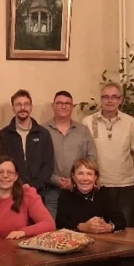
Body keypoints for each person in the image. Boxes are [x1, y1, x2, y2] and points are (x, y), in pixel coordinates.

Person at [82, 83, 134, 227]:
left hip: (125, 185)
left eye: (114, 97)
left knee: (124, 228)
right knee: (99, 227)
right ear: (100, 99)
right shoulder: (88, 122)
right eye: (106, 97)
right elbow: (84, 154)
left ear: (121, 100)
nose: (110, 100)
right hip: (98, 185)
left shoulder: (131, 122)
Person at [42, 90, 98, 223]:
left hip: (78, 191)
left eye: (67, 103)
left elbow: (92, 157)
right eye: (60, 103)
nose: (63, 106)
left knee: (77, 228)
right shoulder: (42, 130)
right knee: (52, 230)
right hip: (51, 192)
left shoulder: (83, 130)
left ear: (72, 107)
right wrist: (56, 180)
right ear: (53, 106)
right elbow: (38, 161)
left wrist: (75, 180)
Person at [0, 158, 55, 239]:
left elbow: (49, 224)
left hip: (20, 249)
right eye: (0, 172)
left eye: (10, 172)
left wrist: (23, 232)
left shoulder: (28, 196)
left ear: (16, 176)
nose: (5, 176)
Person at [0, 90, 54, 194]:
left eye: (26, 104)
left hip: (39, 192)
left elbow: (48, 165)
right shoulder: (3, 135)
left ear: (31, 107)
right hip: (11, 191)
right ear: (13, 108)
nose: (23, 108)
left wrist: (32, 185)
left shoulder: (43, 134)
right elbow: (1, 165)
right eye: (18, 105)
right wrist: (17, 185)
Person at [56, 158, 126, 233]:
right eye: (80, 173)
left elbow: (121, 220)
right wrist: (81, 226)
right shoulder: (66, 194)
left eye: (89, 174)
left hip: (102, 240)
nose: (85, 178)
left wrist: (109, 227)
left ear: (95, 177)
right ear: (73, 176)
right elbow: (60, 222)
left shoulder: (104, 193)